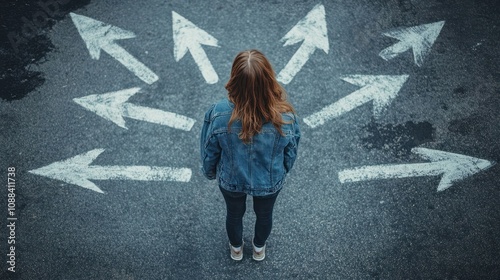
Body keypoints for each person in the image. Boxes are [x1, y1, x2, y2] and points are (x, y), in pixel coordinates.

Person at [200, 49, 301, 261]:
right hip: (269, 180)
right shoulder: (285, 116)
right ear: (269, 79)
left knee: (234, 214)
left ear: (234, 80)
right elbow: (291, 149)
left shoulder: (219, 113)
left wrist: (210, 171)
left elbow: (209, 148)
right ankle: (258, 249)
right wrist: (284, 169)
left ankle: (236, 249)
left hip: (231, 179)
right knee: (264, 215)